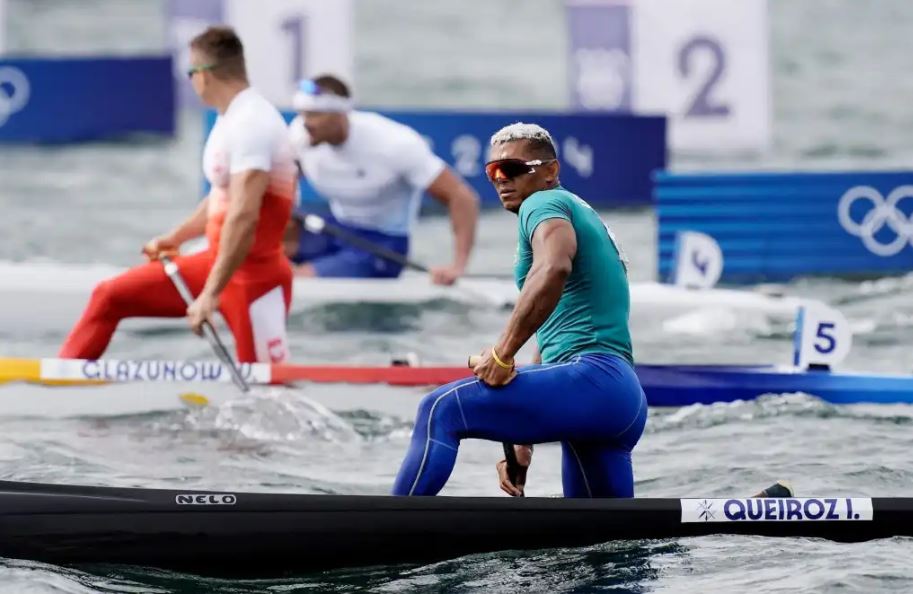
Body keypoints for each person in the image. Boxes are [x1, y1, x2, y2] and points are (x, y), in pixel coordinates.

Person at [392, 122, 647, 498]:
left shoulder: (543, 203)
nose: (500, 180)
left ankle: (392, 531)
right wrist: (519, 436)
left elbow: (553, 267)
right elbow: (556, 324)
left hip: (592, 381)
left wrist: (502, 354)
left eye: (512, 169)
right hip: (618, 400)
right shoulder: (580, 212)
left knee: (439, 410)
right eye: (492, 171)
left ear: (550, 171)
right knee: (601, 547)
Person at [59, 26, 296, 364]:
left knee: (271, 393)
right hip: (214, 264)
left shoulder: (253, 124)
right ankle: (59, 383)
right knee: (110, 296)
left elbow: (244, 215)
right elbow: (221, 199)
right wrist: (176, 237)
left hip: (253, 280)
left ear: (204, 75)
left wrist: (209, 294)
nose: (190, 81)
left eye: (190, 73)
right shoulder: (229, 118)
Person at [286, 76, 479, 285]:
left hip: (383, 245)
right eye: (303, 113)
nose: (305, 123)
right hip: (336, 228)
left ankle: (307, 273)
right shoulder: (301, 134)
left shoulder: (393, 144)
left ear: (339, 115)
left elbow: (462, 197)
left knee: (295, 278)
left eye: (314, 114)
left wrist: (457, 266)